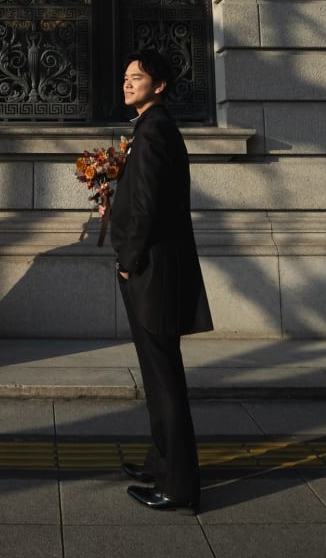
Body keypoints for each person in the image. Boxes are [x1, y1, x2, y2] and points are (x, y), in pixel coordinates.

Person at [109, 48, 213, 512]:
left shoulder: (153, 132)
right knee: (156, 378)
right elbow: (143, 197)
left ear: (160, 85)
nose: (129, 82)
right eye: (127, 75)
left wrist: (129, 260)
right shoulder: (150, 128)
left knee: (164, 379)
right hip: (151, 267)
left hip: (151, 272)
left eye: (139, 76)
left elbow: (150, 207)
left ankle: (180, 486)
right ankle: (159, 462)